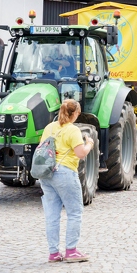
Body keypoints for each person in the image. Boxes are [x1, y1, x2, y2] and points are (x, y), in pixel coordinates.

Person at [39, 99, 93, 263]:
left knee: (52, 215)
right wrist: (89, 143)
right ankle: (71, 250)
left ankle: (53, 253)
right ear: (75, 113)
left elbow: (41, 148)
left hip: (47, 173)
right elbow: (80, 153)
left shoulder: (50, 127)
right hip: (65, 173)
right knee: (75, 212)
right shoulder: (73, 130)